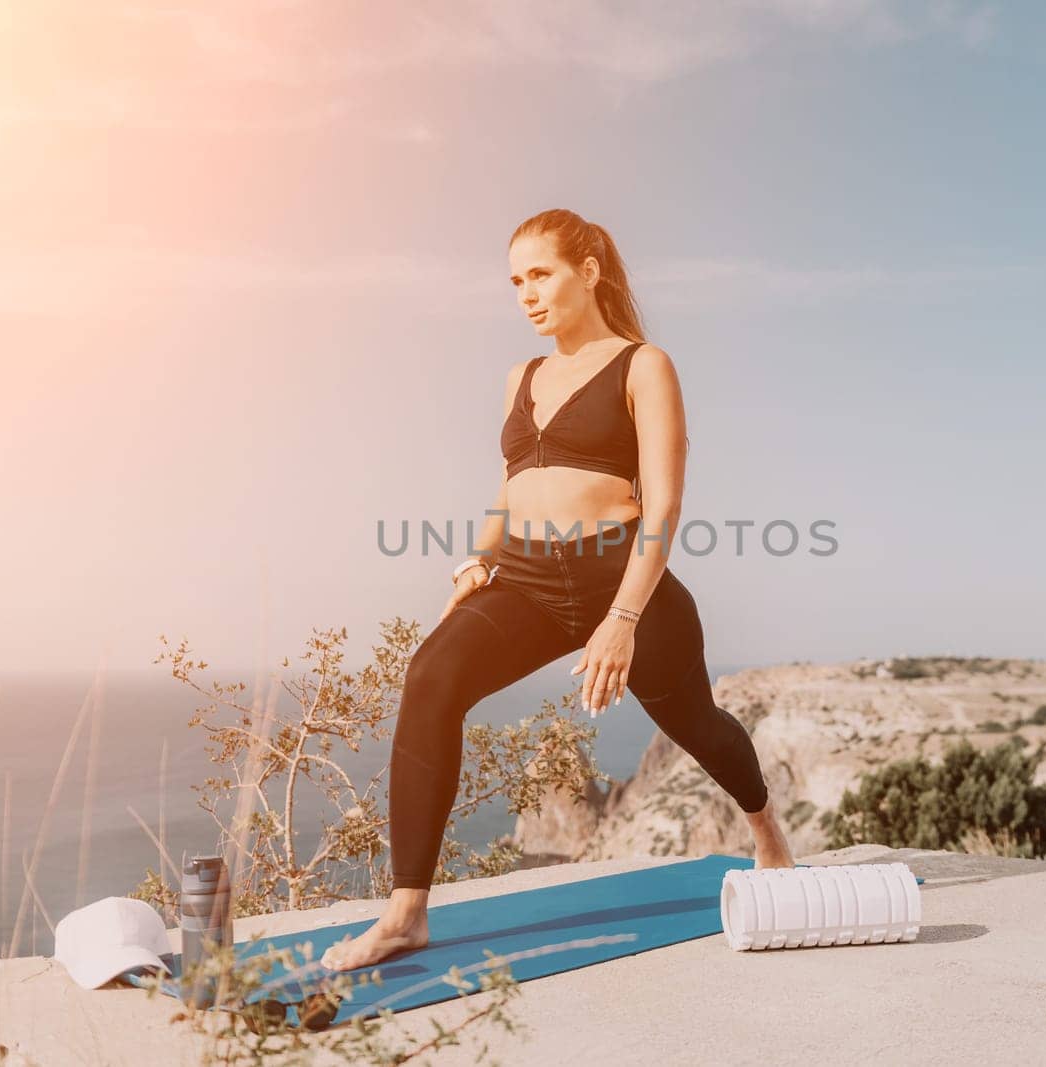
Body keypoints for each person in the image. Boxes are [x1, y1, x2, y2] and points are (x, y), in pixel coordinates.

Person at [323, 208, 794, 972]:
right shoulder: (524, 376)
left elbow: (665, 506)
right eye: (515, 281)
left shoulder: (644, 365)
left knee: (698, 724)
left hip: (622, 575)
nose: (526, 295)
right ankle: (407, 914)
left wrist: (623, 619)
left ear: (590, 271)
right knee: (429, 678)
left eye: (540, 274)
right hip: (527, 582)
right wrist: (473, 562)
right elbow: (510, 489)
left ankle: (768, 831)